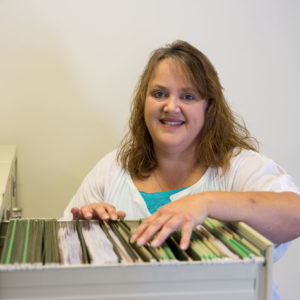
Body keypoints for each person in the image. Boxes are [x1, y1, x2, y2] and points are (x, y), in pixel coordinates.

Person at [63, 40, 300, 299]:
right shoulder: (112, 168)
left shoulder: (238, 167)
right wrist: (84, 235)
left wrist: (207, 203)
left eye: (187, 96)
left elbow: (294, 213)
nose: (170, 106)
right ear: (144, 101)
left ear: (209, 108)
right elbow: (63, 259)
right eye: (159, 94)